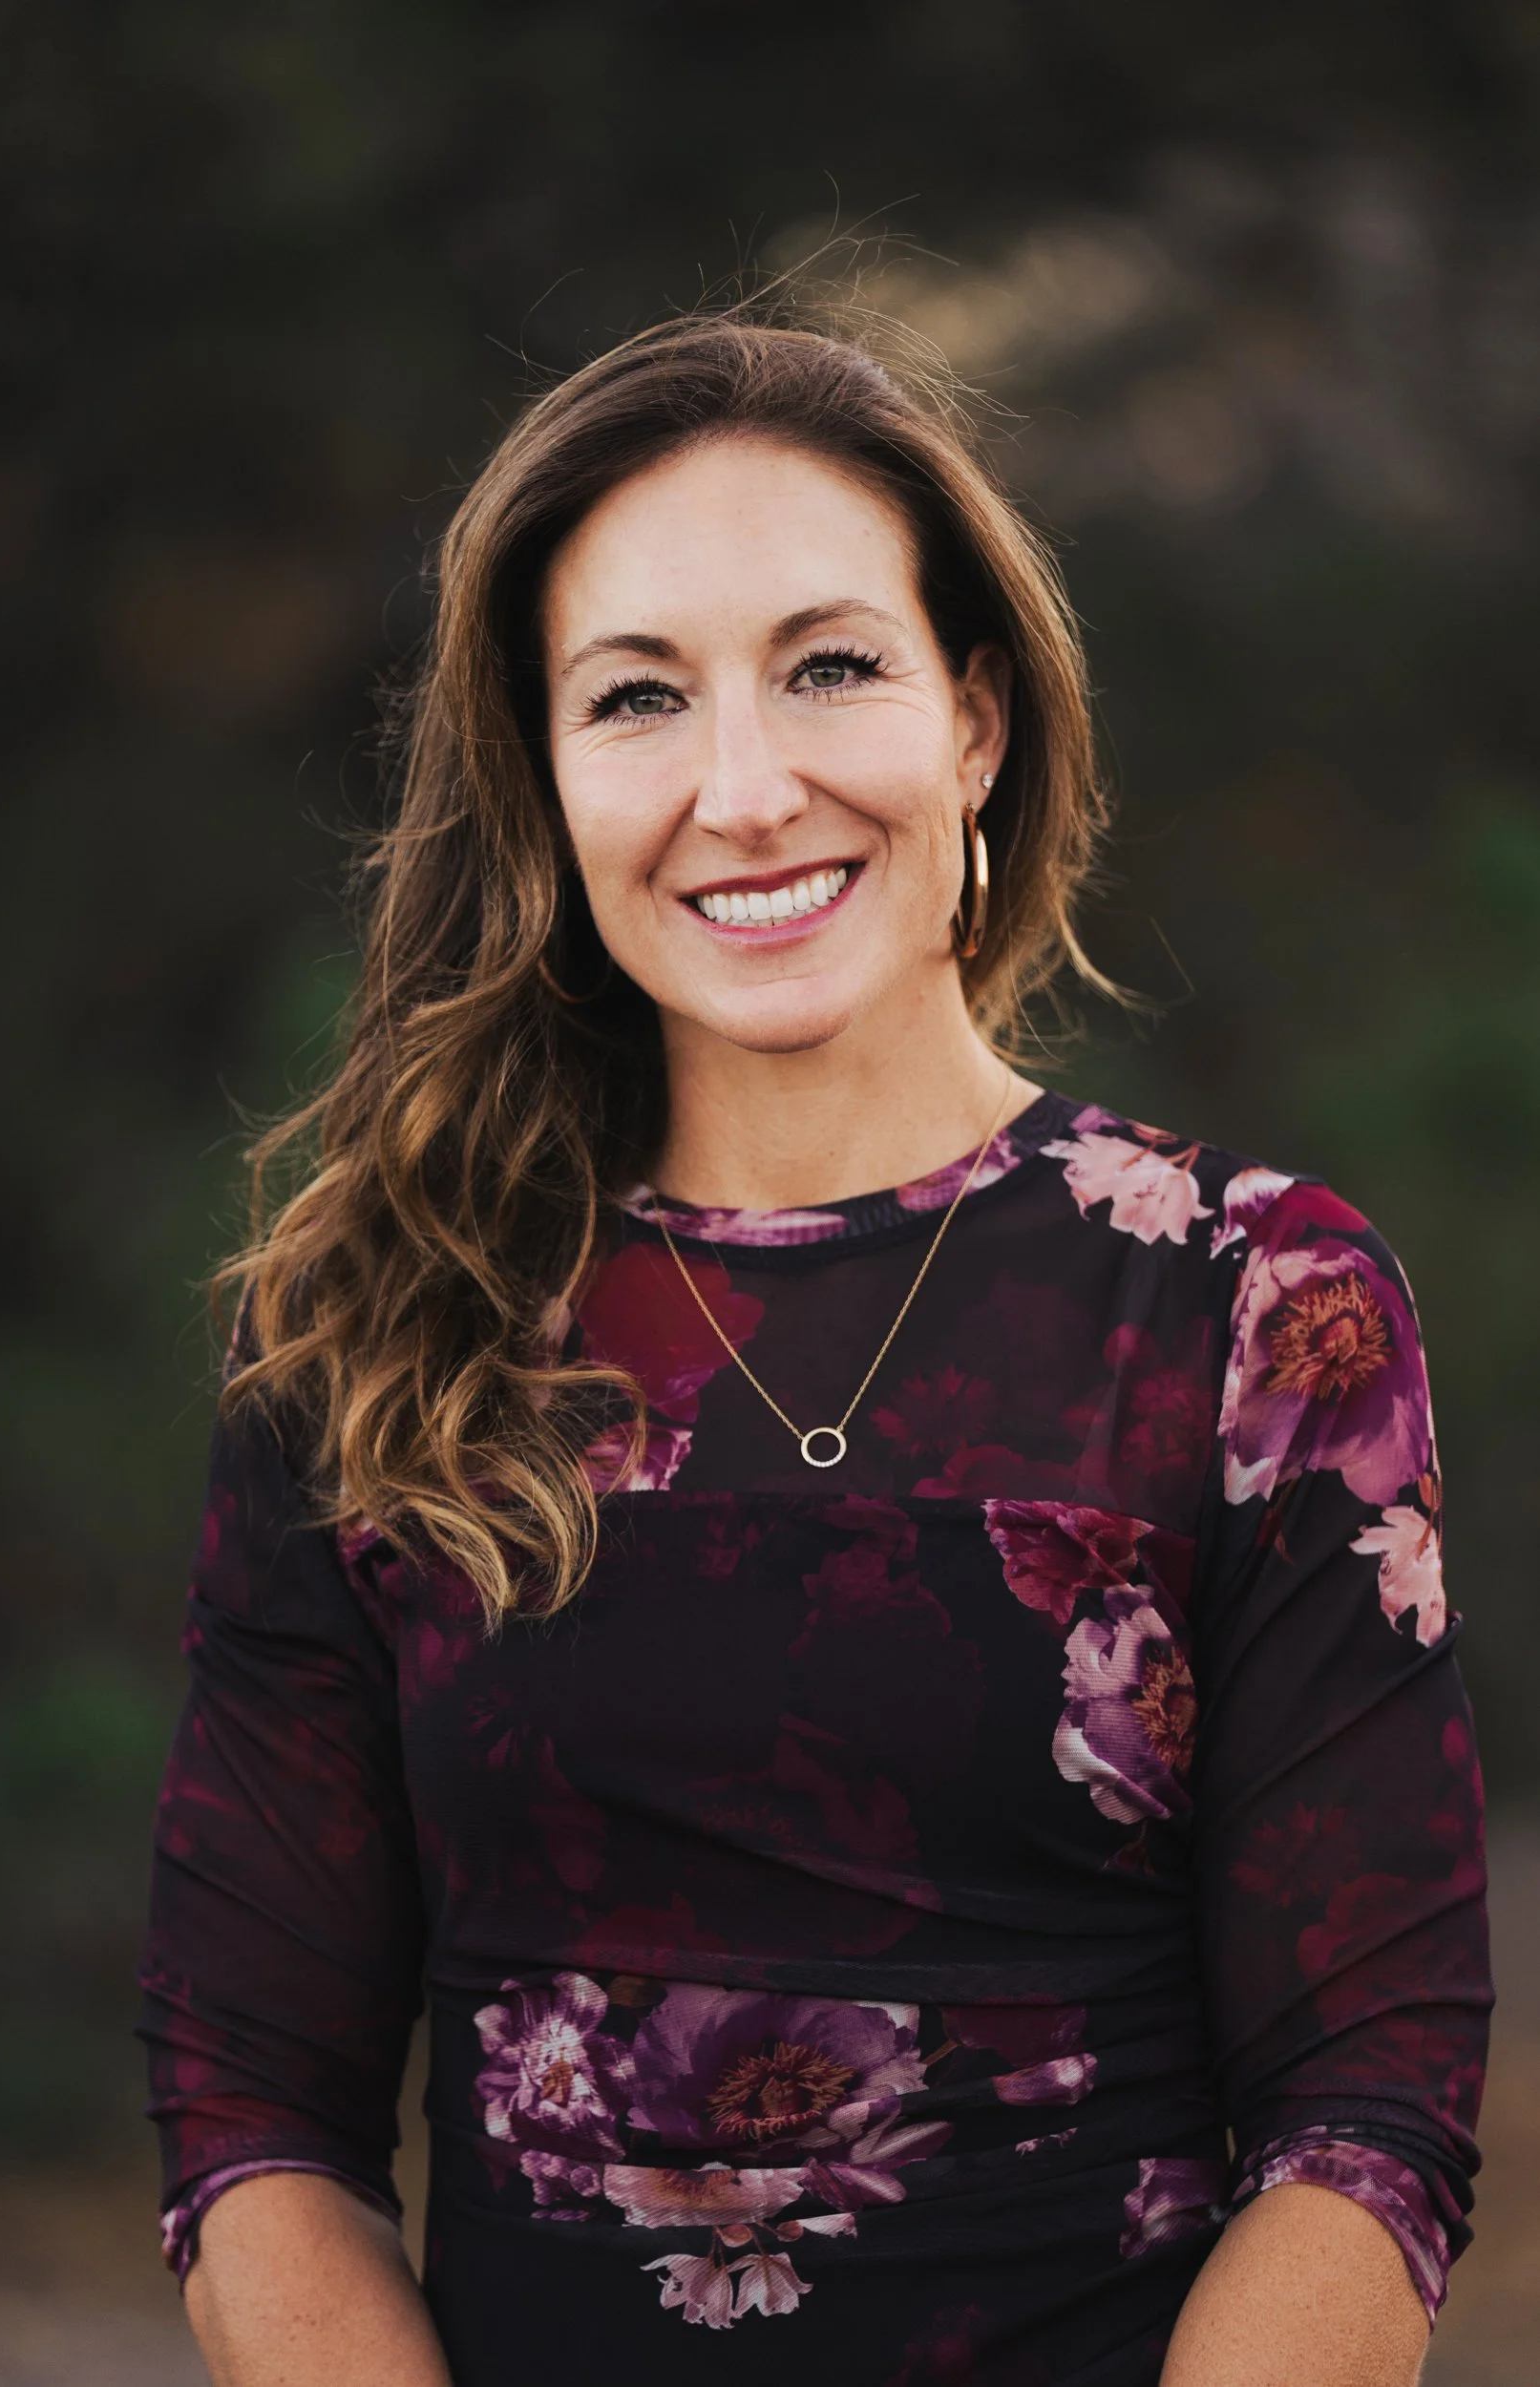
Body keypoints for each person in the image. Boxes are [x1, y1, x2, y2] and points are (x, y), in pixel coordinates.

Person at [138, 307, 1490, 2387]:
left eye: (828, 665)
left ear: (972, 720)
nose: (744, 788)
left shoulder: (1253, 1306)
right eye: (635, 697)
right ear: (544, 776)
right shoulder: (374, 1330)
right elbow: (250, 2102)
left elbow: (1365, 2107)